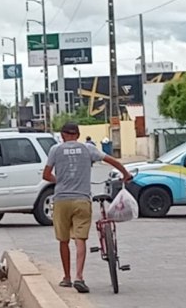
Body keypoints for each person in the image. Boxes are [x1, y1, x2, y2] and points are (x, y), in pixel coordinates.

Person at [43, 122, 132, 294]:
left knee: (63, 240)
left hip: (61, 199)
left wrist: (60, 181)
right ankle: (79, 277)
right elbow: (111, 161)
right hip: (82, 200)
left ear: (62, 136)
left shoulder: (55, 150)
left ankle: (67, 278)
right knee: (80, 239)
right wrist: (125, 174)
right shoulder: (88, 149)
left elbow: (46, 175)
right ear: (78, 134)